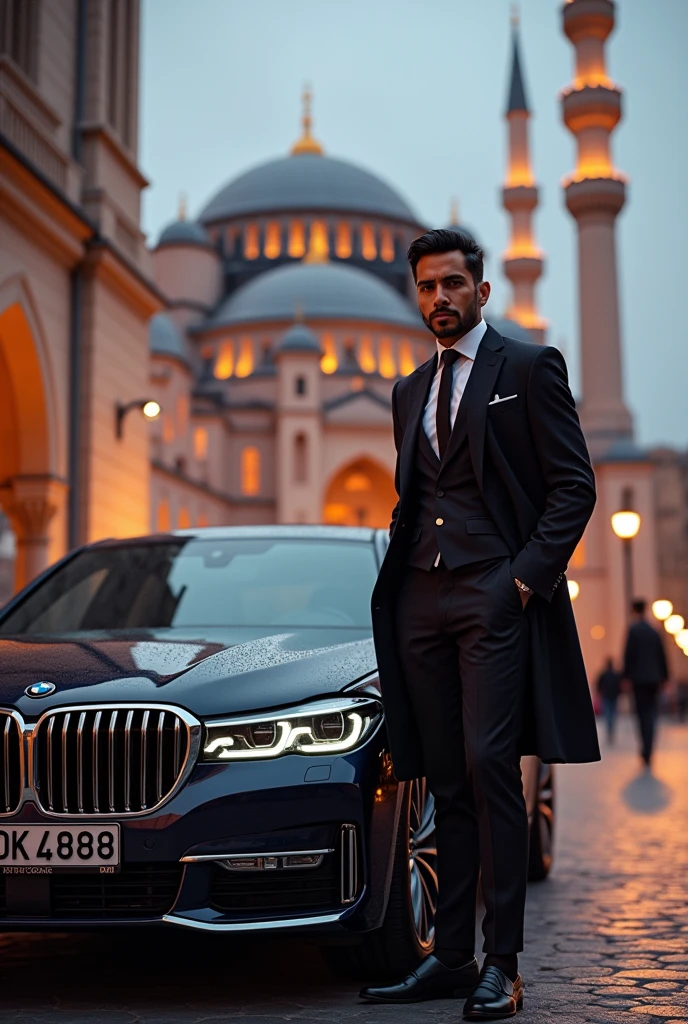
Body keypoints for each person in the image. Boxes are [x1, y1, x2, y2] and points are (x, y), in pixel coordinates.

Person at [365, 229, 600, 1020]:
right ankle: (451, 957)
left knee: (492, 764)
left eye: (454, 284)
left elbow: (574, 487)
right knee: (446, 776)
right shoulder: (406, 392)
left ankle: (504, 962)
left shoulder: (530, 369)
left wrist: (521, 583)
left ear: (483, 292)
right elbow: (416, 499)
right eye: (428, 286)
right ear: (416, 294)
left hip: (493, 597)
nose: (440, 298)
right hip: (421, 604)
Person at [623, 598, 669, 769]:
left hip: (638, 679)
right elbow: (662, 656)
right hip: (654, 679)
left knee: (642, 715)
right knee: (651, 714)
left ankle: (645, 748)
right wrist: (665, 678)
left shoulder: (633, 630)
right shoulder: (654, 631)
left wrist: (626, 676)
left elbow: (628, 655)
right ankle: (649, 748)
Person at [596, 657, 622, 743]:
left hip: (606, 696)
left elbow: (599, 685)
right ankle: (611, 730)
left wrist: (599, 693)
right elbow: (619, 686)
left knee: (608, 714)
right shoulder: (616, 675)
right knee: (612, 714)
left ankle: (609, 730)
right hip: (613, 697)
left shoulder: (604, 675)